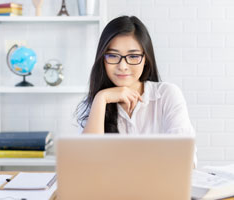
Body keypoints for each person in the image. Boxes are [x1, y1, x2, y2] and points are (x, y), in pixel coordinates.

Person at [76, 15, 197, 166]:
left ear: (145, 59)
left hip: (160, 187)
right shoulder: (95, 104)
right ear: (103, 59)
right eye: (113, 55)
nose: (123, 66)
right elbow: (86, 165)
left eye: (133, 56)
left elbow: (185, 160)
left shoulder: (167, 95)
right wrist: (101, 98)